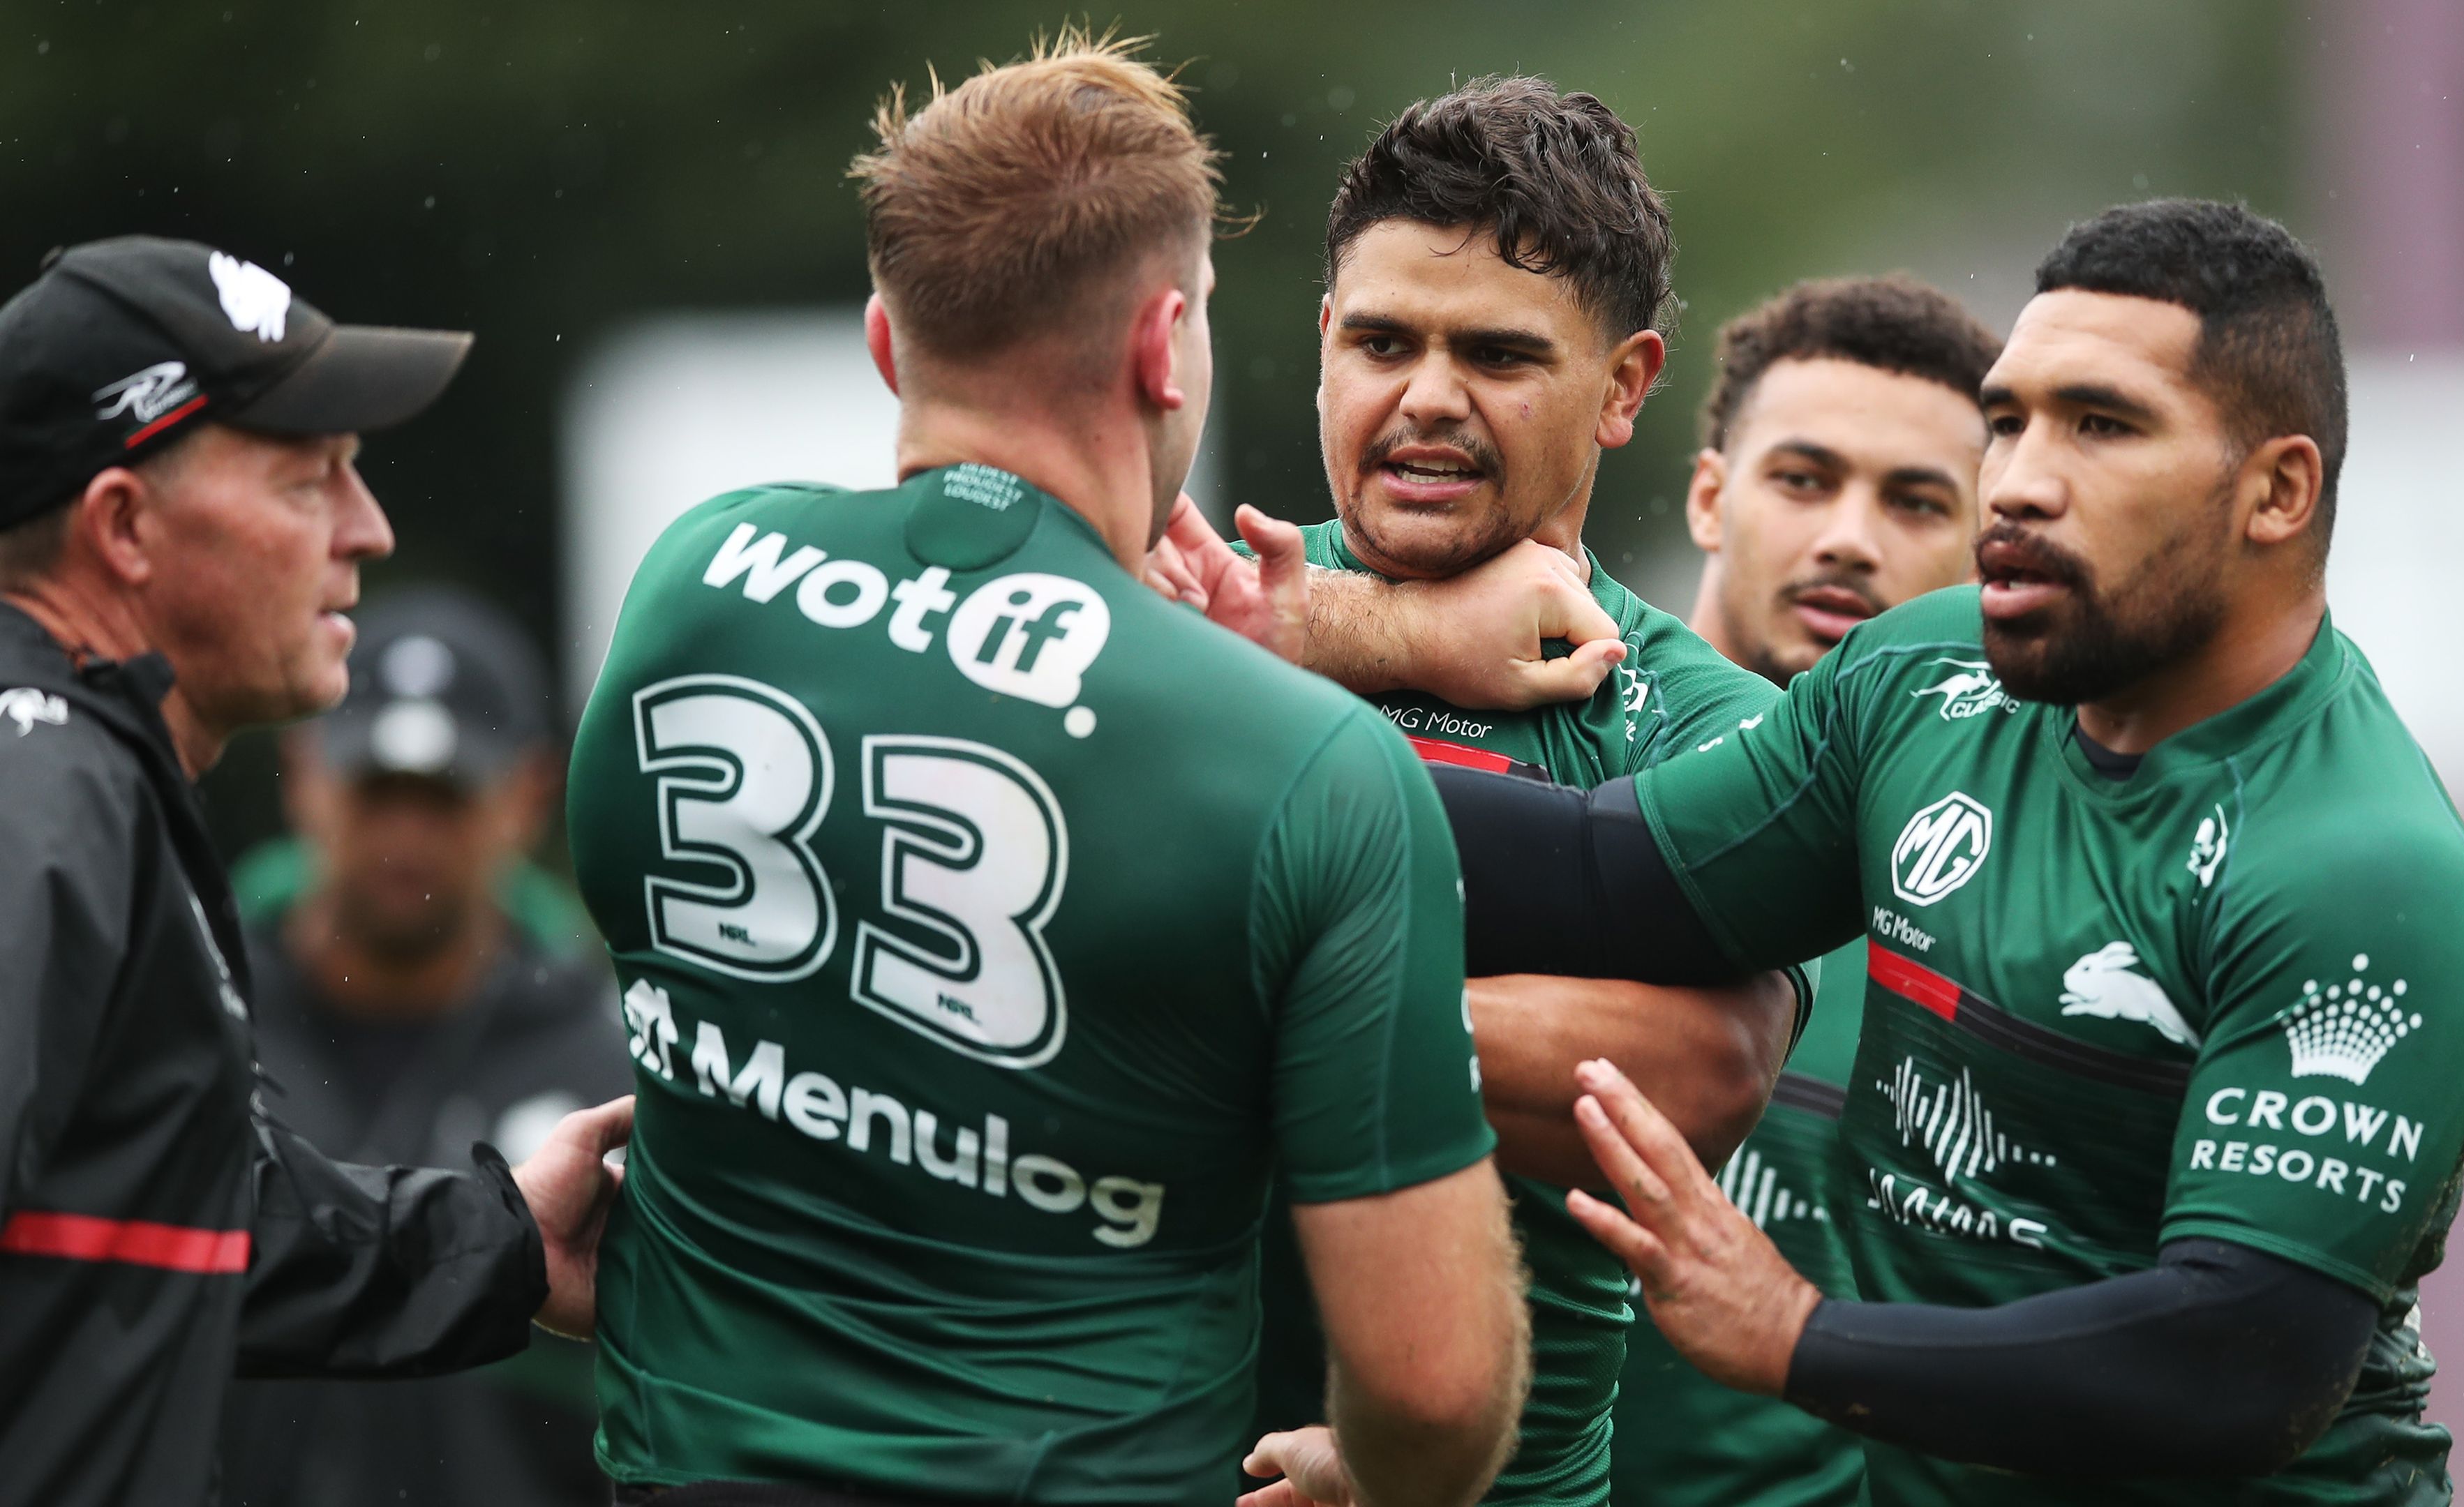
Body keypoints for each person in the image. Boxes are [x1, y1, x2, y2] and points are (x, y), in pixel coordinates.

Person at [1432, 200, 2464, 1506]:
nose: (2016, 482)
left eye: (2102, 426)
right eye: (2008, 420)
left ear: (2278, 492)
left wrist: (1799, 1338)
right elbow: (1606, 881)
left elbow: (2236, 1362)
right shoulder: (1924, 671)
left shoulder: (2364, 873)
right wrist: (1253, 759)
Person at [562, 33, 1526, 1507]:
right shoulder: (1306, 767)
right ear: (1163, 346)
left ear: (889, 343)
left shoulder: (691, 580)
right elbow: (1435, 1391)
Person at [1209, 77, 1807, 1507]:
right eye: (1380, 342)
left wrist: (1223, 1010)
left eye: (1495, 353)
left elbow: (1698, 1075)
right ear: (1320, 349)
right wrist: (1373, 630)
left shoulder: (1714, 721)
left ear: (1626, 389)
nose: (1424, 398)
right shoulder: (1203, 599)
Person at [0, 235, 629, 1507]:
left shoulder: (80, 779)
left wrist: (500, 1244)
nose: (371, 530)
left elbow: (197, 1215)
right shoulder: (42, 792)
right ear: (123, 527)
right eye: (310, 481)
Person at [1609, 276, 1995, 1507]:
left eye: (1916, 500)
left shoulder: (2016, 897)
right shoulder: (1537, 774)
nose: (1849, 537)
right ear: (1712, 496)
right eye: (1804, 478)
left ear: (1990, 552)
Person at [221, 589, 632, 1507]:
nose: (405, 835)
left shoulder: (611, 1082)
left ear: (526, 793)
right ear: (306, 770)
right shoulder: (195, 1026)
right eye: (377, 789)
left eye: (444, 797)